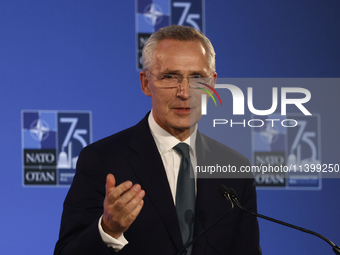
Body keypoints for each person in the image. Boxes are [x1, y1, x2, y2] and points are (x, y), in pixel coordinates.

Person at [54, 25, 261, 255]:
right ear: (145, 83)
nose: (184, 92)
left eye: (196, 77)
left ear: (212, 84)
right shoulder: (102, 160)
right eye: (170, 77)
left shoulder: (235, 168)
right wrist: (108, 230)